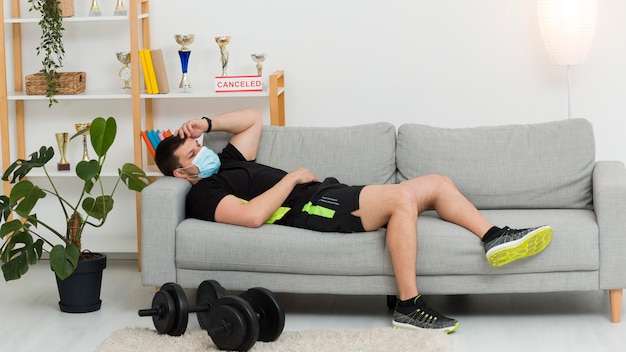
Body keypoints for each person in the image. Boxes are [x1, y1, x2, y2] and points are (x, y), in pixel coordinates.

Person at [154, 109, 553, 333]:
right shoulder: (204, 194)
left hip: (326, 193)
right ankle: (409, 307)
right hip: (311, 207)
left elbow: (253, 120)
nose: (201, 154)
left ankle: (495, 236)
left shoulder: (228, 160)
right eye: (191, 156)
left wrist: (206, 124)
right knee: (403, 199)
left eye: (197, 147)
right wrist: (292, 177)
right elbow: (252, 215)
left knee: (437, 183)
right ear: (178, 174)